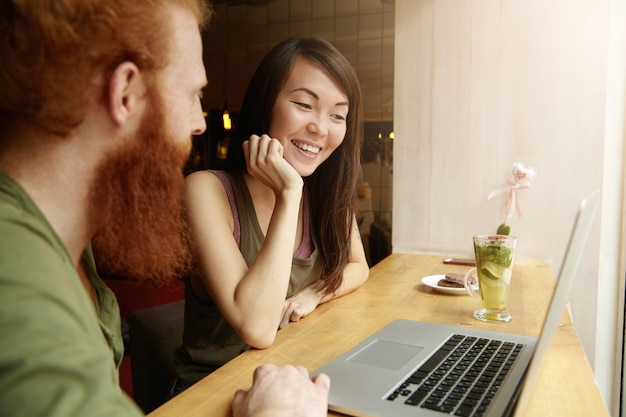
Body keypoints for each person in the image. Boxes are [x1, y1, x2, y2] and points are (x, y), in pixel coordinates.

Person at [0, 0, 211, 416]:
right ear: (126, 94)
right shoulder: (14, 272)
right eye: (192, 95)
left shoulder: (71, 241)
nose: (200, 122)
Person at [172, 36, 370, 393]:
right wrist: (289, 193)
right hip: (212, 398)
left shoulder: (327, 193)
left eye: (337, 115)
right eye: (304, 104)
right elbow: (257, 327)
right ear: (266, 102)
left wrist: (314, 294)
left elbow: (359, 267)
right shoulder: (205, 191)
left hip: (292, 383)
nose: (320, 128)